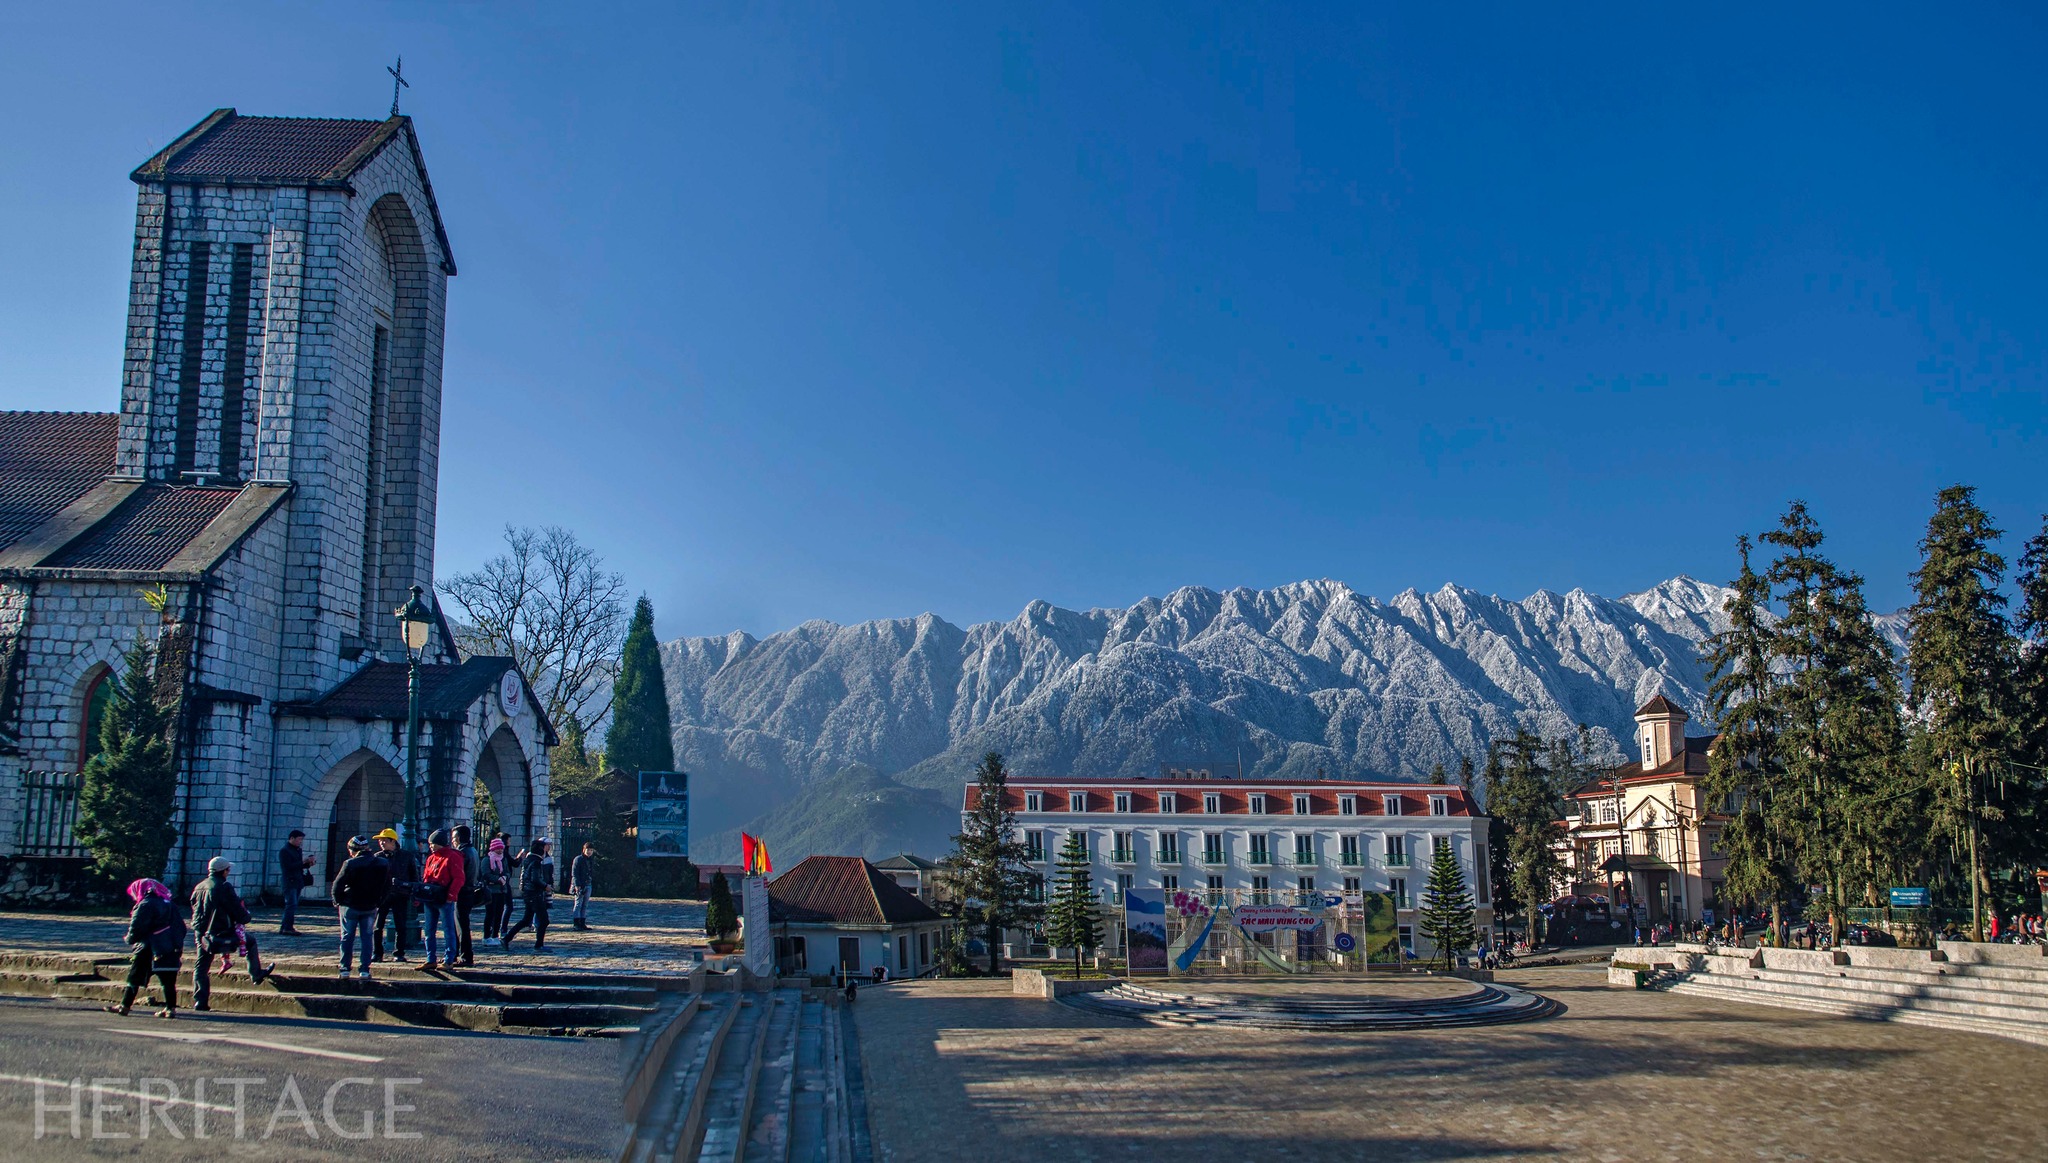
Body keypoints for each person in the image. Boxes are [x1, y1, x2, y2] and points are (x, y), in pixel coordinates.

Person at [190, 855, 268, 1011]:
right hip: (221, 931)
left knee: (201, 966)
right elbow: (235, 908)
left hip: (201, 931)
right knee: (250, 941)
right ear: (223, 871)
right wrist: (246, 917)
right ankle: (256, 973)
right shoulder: (224, 887)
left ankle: (200, 1000)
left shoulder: (200, 886)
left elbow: (193, 904)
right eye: (228, 869)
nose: (229, 871)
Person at [106, 879, 185, 1018]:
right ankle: (170, 1009)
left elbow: (137, 927)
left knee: (134, 978)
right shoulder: (169, 904)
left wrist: (130, 939)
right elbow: (181, 927)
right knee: (168, 980)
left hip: (147, 948)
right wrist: (176, 945)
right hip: (168, 948)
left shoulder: (144, 905)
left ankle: (125, 1006)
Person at [331, 835, 392, 979]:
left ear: (353, 850)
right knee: (367, 937)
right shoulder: (382, 863)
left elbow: (337, 885)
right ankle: (364, 969)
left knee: (347, 936)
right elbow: (387, 886)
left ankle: (345, 968)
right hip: (370, 905)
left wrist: (338, 901)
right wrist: (379, 901)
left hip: (350, 904)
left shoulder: (350, 863)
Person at [418, 829, 467, 970]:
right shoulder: (431, 858)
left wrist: (451, 896)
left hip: (444, 897)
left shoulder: (452, 856)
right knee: (429, 930)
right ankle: (430, 958)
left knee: (448, 929)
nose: (431, 846)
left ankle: (449, 959)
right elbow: (426, 878)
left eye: (432, 843)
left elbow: (459, 878)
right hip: (430, 898)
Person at [372, 827, 419, 962]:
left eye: (384, 841)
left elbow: (413, 876)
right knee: (378, 925)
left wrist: (412, 892)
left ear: (393, 841)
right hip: (383, 895)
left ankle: (399, 952)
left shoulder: (406, 856)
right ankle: (377, 952)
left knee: (401, 924)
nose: (381, 843)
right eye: (380, 841)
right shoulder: (378, 857)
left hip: (400, 894)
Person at [501, 837, 555, 952]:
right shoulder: (535, 862)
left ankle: (506, 938)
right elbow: (535, 879)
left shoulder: (529, 860)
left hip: (528, 893)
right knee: (544, 920)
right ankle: (539, 944)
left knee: (526, 920)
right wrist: (546, 886)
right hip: (534, 894)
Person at [452, 825, 482, 965]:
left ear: (458, 838)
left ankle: (465, 955)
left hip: (462, 891)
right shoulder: (473, 850)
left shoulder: (462, 853)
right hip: (470, 891)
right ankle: (455, 953)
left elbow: (458, 873)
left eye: (453, 838)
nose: (452, 841)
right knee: (460, 924)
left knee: (461, 925)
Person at [277, 829, 315, 935]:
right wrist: (303, 861)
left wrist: (308, 863)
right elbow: (287, 867)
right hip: (289, 881)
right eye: (299, 839)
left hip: (298, 880)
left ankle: (286, 926)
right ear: (292, 838)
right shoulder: (285, 851)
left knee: (293, 904)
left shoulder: (298, 850)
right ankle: (287, 927)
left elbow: (299, 866)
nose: (300, 842)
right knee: (291, 904)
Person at [481, 837, 513, 940]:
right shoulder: (487, 859)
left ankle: (495, 934)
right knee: (490, 913)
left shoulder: (503, 859)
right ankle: (487, 935)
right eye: (497, 848)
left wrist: (505, 877)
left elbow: (507, 872)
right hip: (491, 890)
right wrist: (497, 879)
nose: (500, 850)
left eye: (501, 848)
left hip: (502, 890)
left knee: (499, 913)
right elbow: (486, 874)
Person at [570, 841, 596, 931]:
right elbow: (575, 873)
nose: (589, 852)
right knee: (578, 904)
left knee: (585, 904)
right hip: (580, 884)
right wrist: (577, 885)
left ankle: (582, 923)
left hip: (588, 884)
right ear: (584, 849)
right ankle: (576, 923)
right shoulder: (578, 859)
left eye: (591, 850)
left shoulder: (591, 860)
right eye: (588, 849)